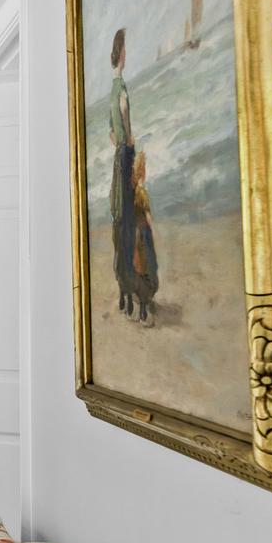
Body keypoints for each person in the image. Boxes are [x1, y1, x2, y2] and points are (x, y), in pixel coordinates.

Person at [106, 28, 138, 314]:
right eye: (125, 48)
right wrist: (131, 142)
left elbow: (110, 134)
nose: (127, 53)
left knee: (119, 224)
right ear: (121, 53)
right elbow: (125, 128)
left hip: (118, 159)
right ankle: (132, 288)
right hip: (125, 158)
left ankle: (124, 294)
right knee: (129, 226)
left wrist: (120, 144)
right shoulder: (122, 88)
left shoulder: (111, 90)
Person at [124, 149, 160, 322]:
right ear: (141, 170)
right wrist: (152, 225)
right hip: (143, 233)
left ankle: (142, 304)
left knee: (139, 268)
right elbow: (147, 216)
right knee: (149, 267)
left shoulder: (131, 191)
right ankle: (145, 307)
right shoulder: (141, 191)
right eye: (143, 167)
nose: (145, 170)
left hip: (135, 234)